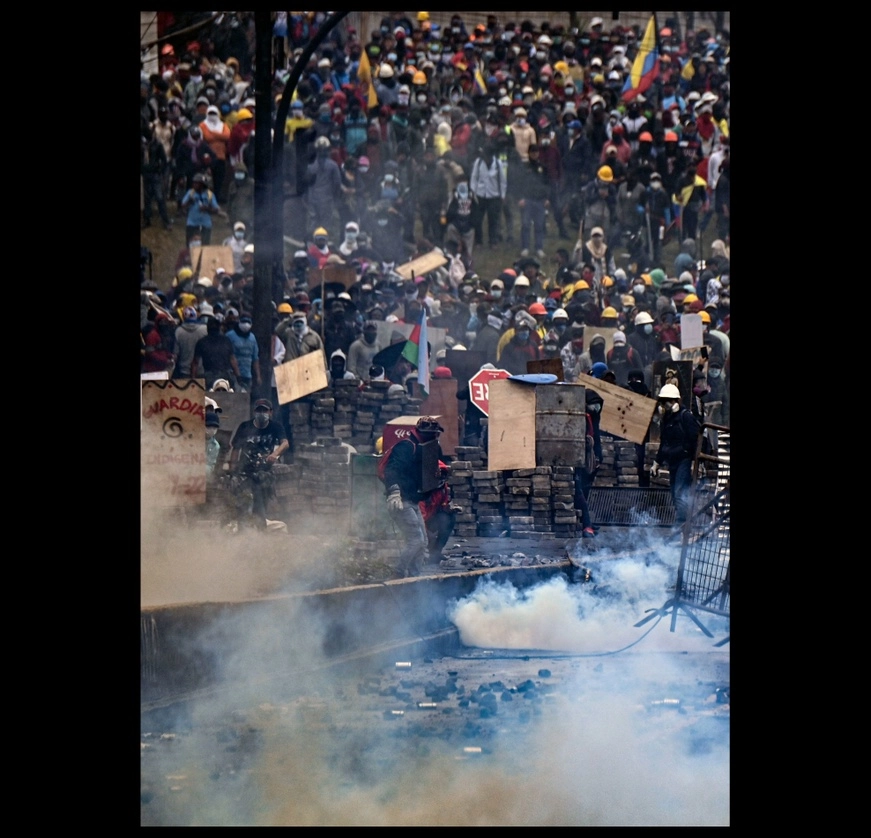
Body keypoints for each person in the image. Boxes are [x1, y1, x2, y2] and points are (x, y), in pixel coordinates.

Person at [380, 416, 445, 576]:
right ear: (423, 433)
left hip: (413, 500)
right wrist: (394, 491)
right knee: (415, 540)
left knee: (422, 543)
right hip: (401, 500)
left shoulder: (423, 448)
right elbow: (391, 470)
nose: (435, 437)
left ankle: (415, 577)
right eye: (433, 434)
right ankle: (399, 573)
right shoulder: (406, 447)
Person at [228, 398, 290, 529]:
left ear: (270, 412)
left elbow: (285, 443)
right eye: (259, 410)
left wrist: (275, 454)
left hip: (263, 473)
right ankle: (243, 533)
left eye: (264, 410)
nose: (262, 413)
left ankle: (260, 535)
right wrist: (232, 473)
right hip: (245, 472)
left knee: (260, 507)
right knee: (243, 504)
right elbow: (236, 449)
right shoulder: (245, 427)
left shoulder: (275, 427)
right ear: (254, 412)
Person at [650, 382, 701, 527]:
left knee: (680, 493)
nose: (665, 404)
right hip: (672, 461)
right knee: (674, 493)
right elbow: (664, 442)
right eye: (663, 401)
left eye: (668, 401)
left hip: (684, 460)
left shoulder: (686, 417)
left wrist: (693, 460)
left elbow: (696, 439)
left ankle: (681, 527)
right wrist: (657, 463)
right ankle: (681, 526)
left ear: (675, 401)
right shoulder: (666, 419)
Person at [511, 143, 550, 259]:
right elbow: (518, 184)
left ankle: (539, 248)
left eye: (536, 152)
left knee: (539, 225)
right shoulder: (524, 167)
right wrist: (520, 198)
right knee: (525, 224)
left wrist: (547, 198)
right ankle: (525, 248)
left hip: (540, 200)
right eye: (532, 152)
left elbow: (548, 184)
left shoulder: (543, 167)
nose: (534, 154)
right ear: (529, 153)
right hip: (527, 199)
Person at [419, 461, 462, 563]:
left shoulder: (442, 488)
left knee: (449, 518)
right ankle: (422, 555)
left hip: (431, 517)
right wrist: (426, 534)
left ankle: (436, 552)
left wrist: (449, 509)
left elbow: (443, 504)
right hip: (420, 521)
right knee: (425, 537)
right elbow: (420, 516)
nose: (440, 479)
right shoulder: (423, 491)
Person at [192, 315, 241, 389]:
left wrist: (193, 380)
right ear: (219, 328)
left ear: (207, 328)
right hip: (226, 376)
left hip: (208, 378)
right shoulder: (226, 340)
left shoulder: (202, 342)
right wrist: (238, 376)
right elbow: (233, 360)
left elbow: (195, 363)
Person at [181, 172, 223, 245]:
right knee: (190, 246)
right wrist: (189, 201)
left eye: (197, 183)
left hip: (205, 224)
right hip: (192, 223)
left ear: (202, 184)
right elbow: (183, 206)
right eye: (194, 183)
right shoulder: (190, 193)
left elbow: (216, 209)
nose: (194, 185)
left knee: (205, 246)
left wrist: (207, 209)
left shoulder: (210, 195)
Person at [225, 312, 261, 392]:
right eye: (244, 321)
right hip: (232, 375)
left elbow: (255, 358)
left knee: (246, 399)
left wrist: (258, 376)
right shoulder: (230, 336)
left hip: (247, 375)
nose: (246, 324)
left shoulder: (252, 337)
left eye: (248, 322)